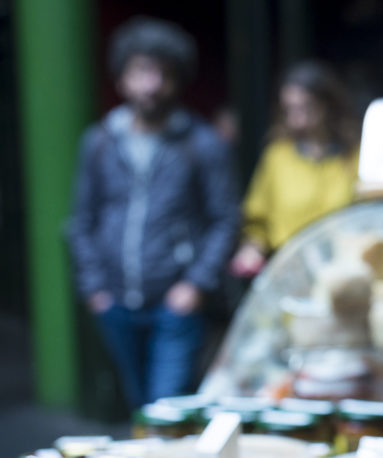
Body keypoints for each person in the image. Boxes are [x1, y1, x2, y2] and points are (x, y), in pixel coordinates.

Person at [67, 16, 239, 409]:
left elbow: (225, 219)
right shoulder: (99, 143)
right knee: (140, 405)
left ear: (178, 81)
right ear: (122, 78)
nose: (152, 84)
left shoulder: (202, 144)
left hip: (175, 303)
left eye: (164, 73)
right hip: (115, 301)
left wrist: (195, 285)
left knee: (165, 410)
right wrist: (95, 289)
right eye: (142, 71)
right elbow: (83, 221)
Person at [229, 61, 360, 277]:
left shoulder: (353, 156)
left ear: (328, 105)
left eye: (306, 107)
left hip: (344, 269)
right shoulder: (278, 156)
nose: (297, 118)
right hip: (289, 270)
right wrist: (250, 249)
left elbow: (368, 217)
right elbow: (257, 221)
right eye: (289, 108)